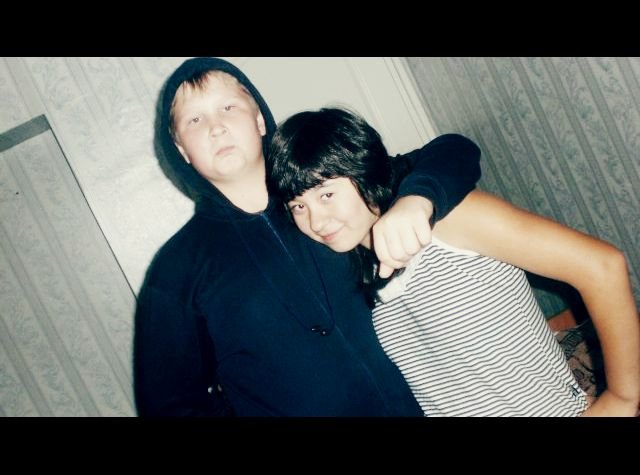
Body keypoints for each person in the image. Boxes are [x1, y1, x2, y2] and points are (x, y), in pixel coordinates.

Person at [133, 57, 482, 416]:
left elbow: (454, 150)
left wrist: (418, 198)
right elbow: (168, 406)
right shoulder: (175, 270)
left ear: (259, 119)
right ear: (181, 150)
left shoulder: (332, 196)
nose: (216, 127)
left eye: (228, 107)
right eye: (194, 119)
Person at [266, 106, 640, 417]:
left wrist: (622, 399)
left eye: (326, 194)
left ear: (361, 170)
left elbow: (602, 266)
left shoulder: (448, 219)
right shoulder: (364, 273)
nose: (316, 221)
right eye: (298, 206)